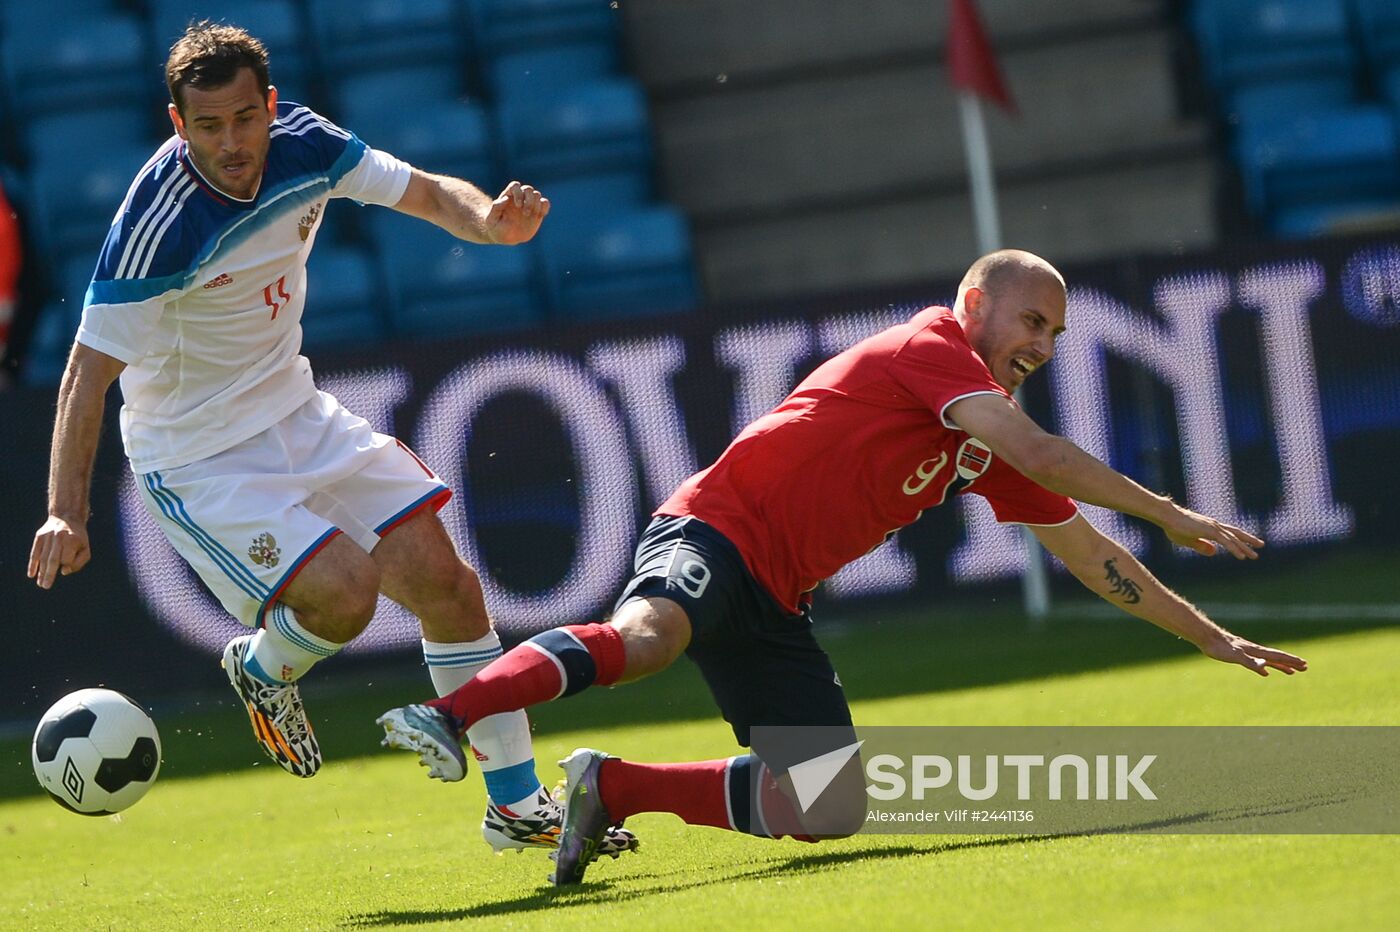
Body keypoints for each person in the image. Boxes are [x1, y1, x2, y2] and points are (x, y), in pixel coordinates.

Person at [377, 248, 1309, 884]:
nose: (1043, 344)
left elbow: (1091, 556)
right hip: (713, 530)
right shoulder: (932, 349)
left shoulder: (977, 434)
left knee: (826, 804)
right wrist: (1173, 512)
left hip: (776, 600)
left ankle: (610, 786)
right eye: (1033, 320)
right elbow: (1049, 458)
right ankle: (449, 714)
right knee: (650, 639)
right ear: (975, 306)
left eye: (1057, 334)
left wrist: (1212, 636)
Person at [26, 22, 636, 859]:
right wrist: (66, 512)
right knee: (345, 596)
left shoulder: (309, 143)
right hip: (198, 456)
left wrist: (488, 223)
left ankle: (517, 804)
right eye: (208, 127)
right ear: (177, 124)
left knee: (450, 588)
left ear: (270, 105)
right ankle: (264, 667)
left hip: (298, 412)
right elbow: (84, 375)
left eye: (245, 118)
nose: (232, 143)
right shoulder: (156, 225)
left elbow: (424, 192)